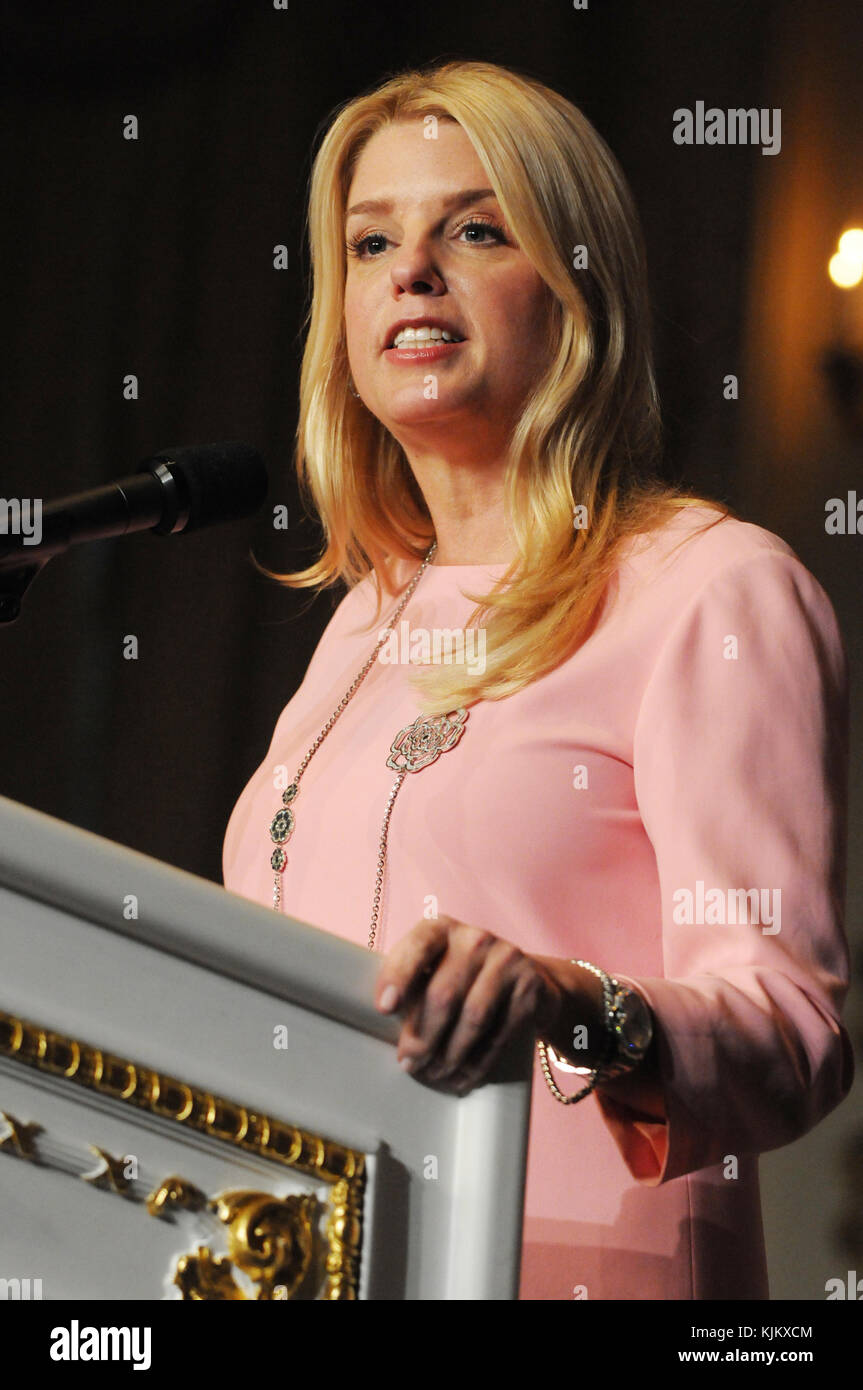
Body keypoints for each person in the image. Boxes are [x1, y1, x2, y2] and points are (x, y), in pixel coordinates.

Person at [222, 60, 853, 1300]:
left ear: (575, 286)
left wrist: (572, 1002)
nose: (409, 269)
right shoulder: (360, 618)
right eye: (367, 242)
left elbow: (791, 1030)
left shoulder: (707, 588)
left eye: (473, 227)